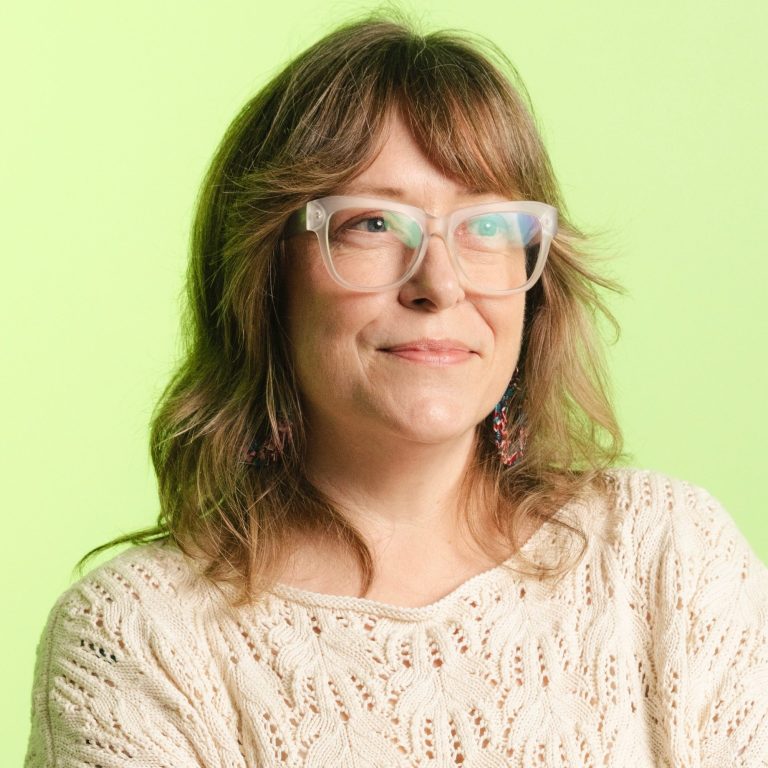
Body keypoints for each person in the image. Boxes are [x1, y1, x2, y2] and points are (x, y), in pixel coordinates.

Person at [24, 16, 768, 768]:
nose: (439, 284)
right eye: (374, 223)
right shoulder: (138, 638)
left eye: (487, 225)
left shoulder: (670, 556)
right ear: (266, 276)